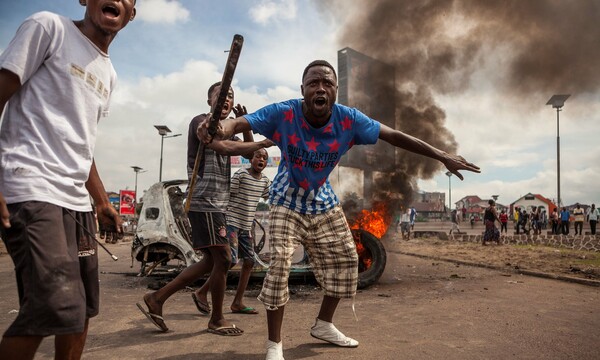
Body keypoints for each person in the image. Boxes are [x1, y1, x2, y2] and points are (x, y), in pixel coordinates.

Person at [198, 60, 480, 360]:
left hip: (322, 198)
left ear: (335, 90)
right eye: (313, 83)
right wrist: (220, 126)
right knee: (280, 264)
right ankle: (274, 345)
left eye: (327, 83)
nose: (320, 88)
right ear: (302, 90)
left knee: (347, 259)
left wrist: (443, 155)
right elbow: (239, 124)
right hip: (287, 197)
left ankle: (323, 324)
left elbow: (394, 135)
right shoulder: (284, 112)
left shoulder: (350, 120)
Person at [0, 1, 135, 359]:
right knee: (53, 304)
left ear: (131, 14)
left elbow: (80, 141)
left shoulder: (109, 72)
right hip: (29, 183)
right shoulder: (49, 28)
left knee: (82, 309)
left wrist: (102, 201)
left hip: (76, 202)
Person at [136, 82, 274, 336]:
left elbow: (244, 153)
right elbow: (227, 148)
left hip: (218, 203)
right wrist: (265, 141)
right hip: (205, 200)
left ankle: (159, 297)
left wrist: (246, 126)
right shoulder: (202, 123)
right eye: (220, 95)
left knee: (213, 260)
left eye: (230, 96)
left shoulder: (227, 127)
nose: (226, 99)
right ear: (208, 99)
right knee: (224, 259)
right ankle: (217, 319)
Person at [192, 148, 272, 316]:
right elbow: (227, 195)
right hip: (232, 223)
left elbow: (271, 196)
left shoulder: (265, 181)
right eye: (258, 156)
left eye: (265, 158)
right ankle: (202, 292)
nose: (261, 160)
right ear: (251, 159)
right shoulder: (241, 175)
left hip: (246, 226)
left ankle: (237, 303)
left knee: (249, 261)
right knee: (230, 261)